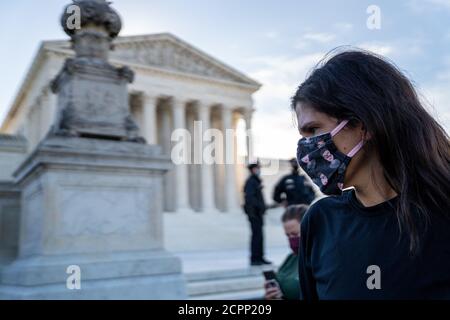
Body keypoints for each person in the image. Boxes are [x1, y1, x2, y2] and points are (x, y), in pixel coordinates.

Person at [292, 49, 450, 300]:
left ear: (363, 124)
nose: (306, 149)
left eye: (313, 130)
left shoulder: (441, 217)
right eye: (303, 136)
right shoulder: (320, 222)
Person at [264, 204, 308, 300]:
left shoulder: (320, 260)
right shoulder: (291, 258)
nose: (291, 239)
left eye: (295, 234)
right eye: (288, 235)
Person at [243, 162, 271, 266]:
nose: (259, 170)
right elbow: (250, 198)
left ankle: (260, 257)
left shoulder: (255, 181)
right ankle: (255, 258)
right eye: (257, 168)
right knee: (257, 236)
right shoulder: (251, 181)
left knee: (259, 236)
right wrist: (259, 207)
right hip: (254, 214)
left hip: (258, 213)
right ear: (253, 169)